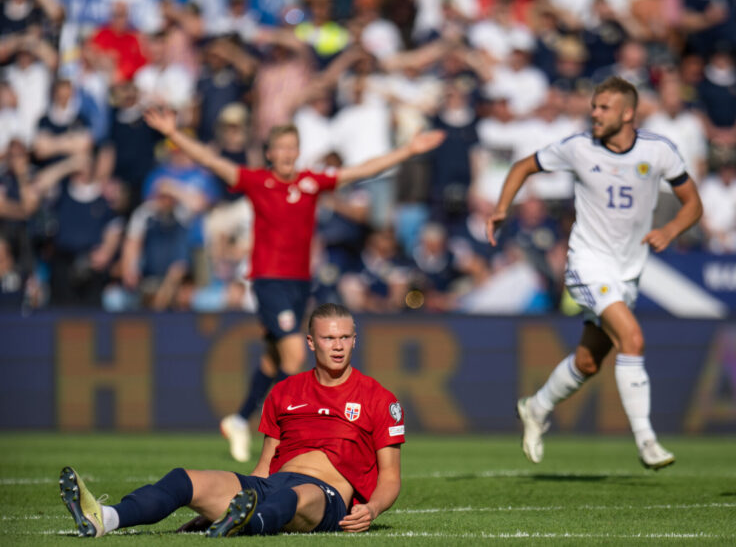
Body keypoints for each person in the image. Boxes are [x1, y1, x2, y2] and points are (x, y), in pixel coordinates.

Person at [144, 107, 441, 462]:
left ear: (298, 151)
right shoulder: (256, 181)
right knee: (295, 354)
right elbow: (212, 161)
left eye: (291, 147)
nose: (285, 154)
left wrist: (408, 150)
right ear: (269, 153)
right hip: (269, 279)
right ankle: (285, 432)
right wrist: (174, 135)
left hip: (300, 282)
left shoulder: (311, 182)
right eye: (279, 147)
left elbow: (363, 170)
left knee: (273, 359)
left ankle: (238, 419)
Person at [486, 76, 703, 469]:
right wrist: (503, 207)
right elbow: (522, 166)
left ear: (628, 113)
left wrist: (670, 230)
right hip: (588, 263)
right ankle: (646, 440)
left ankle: (535, 407)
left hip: (628, 270)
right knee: (632, 339)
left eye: (604, 107)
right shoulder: (578, 147)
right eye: (594, 106)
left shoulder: (658, 151)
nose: (595, 113)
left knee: (588, 362)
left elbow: (693, 204)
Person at [59, 303, 406, 537]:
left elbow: (390, 476)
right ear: (312, 342)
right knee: (184, 480)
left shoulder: (379, 398)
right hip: (272, 485)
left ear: (355, 340)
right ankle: (105, 518)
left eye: (345, 337)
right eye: (330, 338)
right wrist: (222, 504)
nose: (338, 345)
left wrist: (372, 508)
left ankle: (240, 524)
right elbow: (264, 467)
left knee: (293, 499)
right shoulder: (284, 391)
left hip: (326, 496)